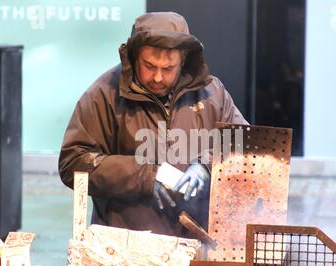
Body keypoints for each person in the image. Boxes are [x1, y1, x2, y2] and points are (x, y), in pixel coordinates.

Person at [59, 12, 248, 237]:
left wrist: (206, 166)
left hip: (197, 241)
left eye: (168, 69)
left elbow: (244, 143)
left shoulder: (212, 93)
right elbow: (74, 162)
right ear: (134, 55)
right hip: (124, 245)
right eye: (148, 65)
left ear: (184, 60)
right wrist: (144, 176)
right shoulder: (105, 94)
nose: (158, 77)